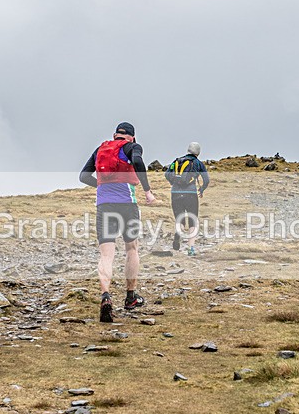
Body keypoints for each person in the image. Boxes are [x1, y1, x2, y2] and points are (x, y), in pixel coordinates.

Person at [79, 122, 158, 323]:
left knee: (106, 254)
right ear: (132, 137)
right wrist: (147, 191)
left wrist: (100, 184)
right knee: (132, 248)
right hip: (127, 206)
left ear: (115, 135)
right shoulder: (132, 147)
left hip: (104, 206)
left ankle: (105, 296)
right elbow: (138, 163)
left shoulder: (100, 150)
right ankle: (131, 297)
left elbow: (83, 176)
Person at [165, 142, 210, 256]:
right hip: (190, 194)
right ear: (198, 152)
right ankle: (191, 249)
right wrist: (202, 189)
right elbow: (206, 179)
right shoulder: (198, 163)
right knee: (192, 221)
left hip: (175, 193)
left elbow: (167, 174)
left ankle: (178, 232)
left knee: (179, 218)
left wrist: (173, 183)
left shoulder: (177, 161)